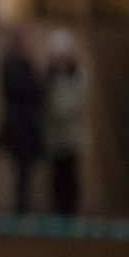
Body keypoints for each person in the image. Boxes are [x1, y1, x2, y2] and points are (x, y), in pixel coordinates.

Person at [0, 25, 43, 213]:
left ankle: (23, 204)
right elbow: (28, 89)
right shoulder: (13, 67)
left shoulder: (24, 66)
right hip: (19, 125)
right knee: (21, 168)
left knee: (26, 168)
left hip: (26, 124)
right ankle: (21, 205)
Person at [40, 29, 86, 215]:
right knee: (57, 174)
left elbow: (80, 100)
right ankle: (57, 208)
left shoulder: (77, 75)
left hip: (72, 132)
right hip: (55, 132)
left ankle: (70, 209)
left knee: (70, 172)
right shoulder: (49, 75)